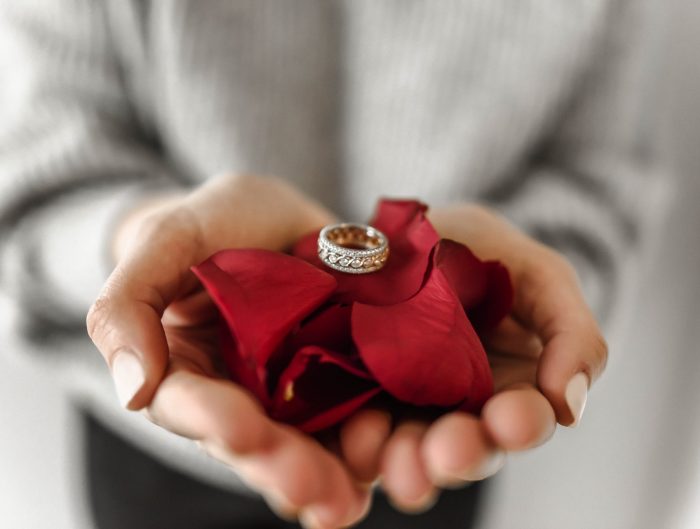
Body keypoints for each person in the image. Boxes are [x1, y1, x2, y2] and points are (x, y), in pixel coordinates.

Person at [0, 1, 664, 528]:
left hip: (441, 429)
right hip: (155, 451)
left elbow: (594, 182)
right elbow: (41, 172)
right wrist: (144, 242)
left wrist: (526, 279)